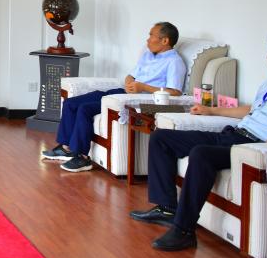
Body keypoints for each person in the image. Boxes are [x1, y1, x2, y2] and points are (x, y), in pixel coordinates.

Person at [130, 28, 267, 251]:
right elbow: (252, 110)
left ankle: (184, 230)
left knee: (202, 154)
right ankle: (167, 209)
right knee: (162, 137)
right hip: (234, 134)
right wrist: (211, 110)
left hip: (256, 147)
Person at [43, 22, 185, 172]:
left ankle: (82, 157)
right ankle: (66, 148)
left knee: (85, 109)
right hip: (123, 92)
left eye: (151, 35)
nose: (148, 39)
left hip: (140, 100)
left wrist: (143, 87)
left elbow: (175, 91)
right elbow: (131, 75)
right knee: (71, 103)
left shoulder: (174, 62)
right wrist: (129, 82)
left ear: (165, 40)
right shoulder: (148, 55)